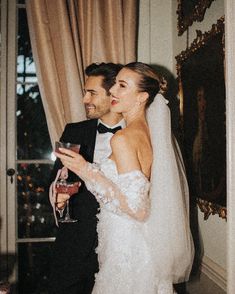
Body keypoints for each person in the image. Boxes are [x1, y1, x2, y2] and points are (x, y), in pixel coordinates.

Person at [55, 62, 194, 294]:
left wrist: (86, 169)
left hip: (126, 247)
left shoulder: (122, 139)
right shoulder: (149, 133)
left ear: (141, 97)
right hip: (139, 242)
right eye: (114, 85)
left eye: (122, 86)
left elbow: (138, 209)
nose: (113, 91)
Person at [49, 62, 125, 294]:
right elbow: (53, 183)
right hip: (74, 247)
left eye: (92, 92)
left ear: (113, 95)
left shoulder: (140, 136)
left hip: (121, 246)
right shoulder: (74, 131)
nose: (84, 99)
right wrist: (59, 199)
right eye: (85, 92)